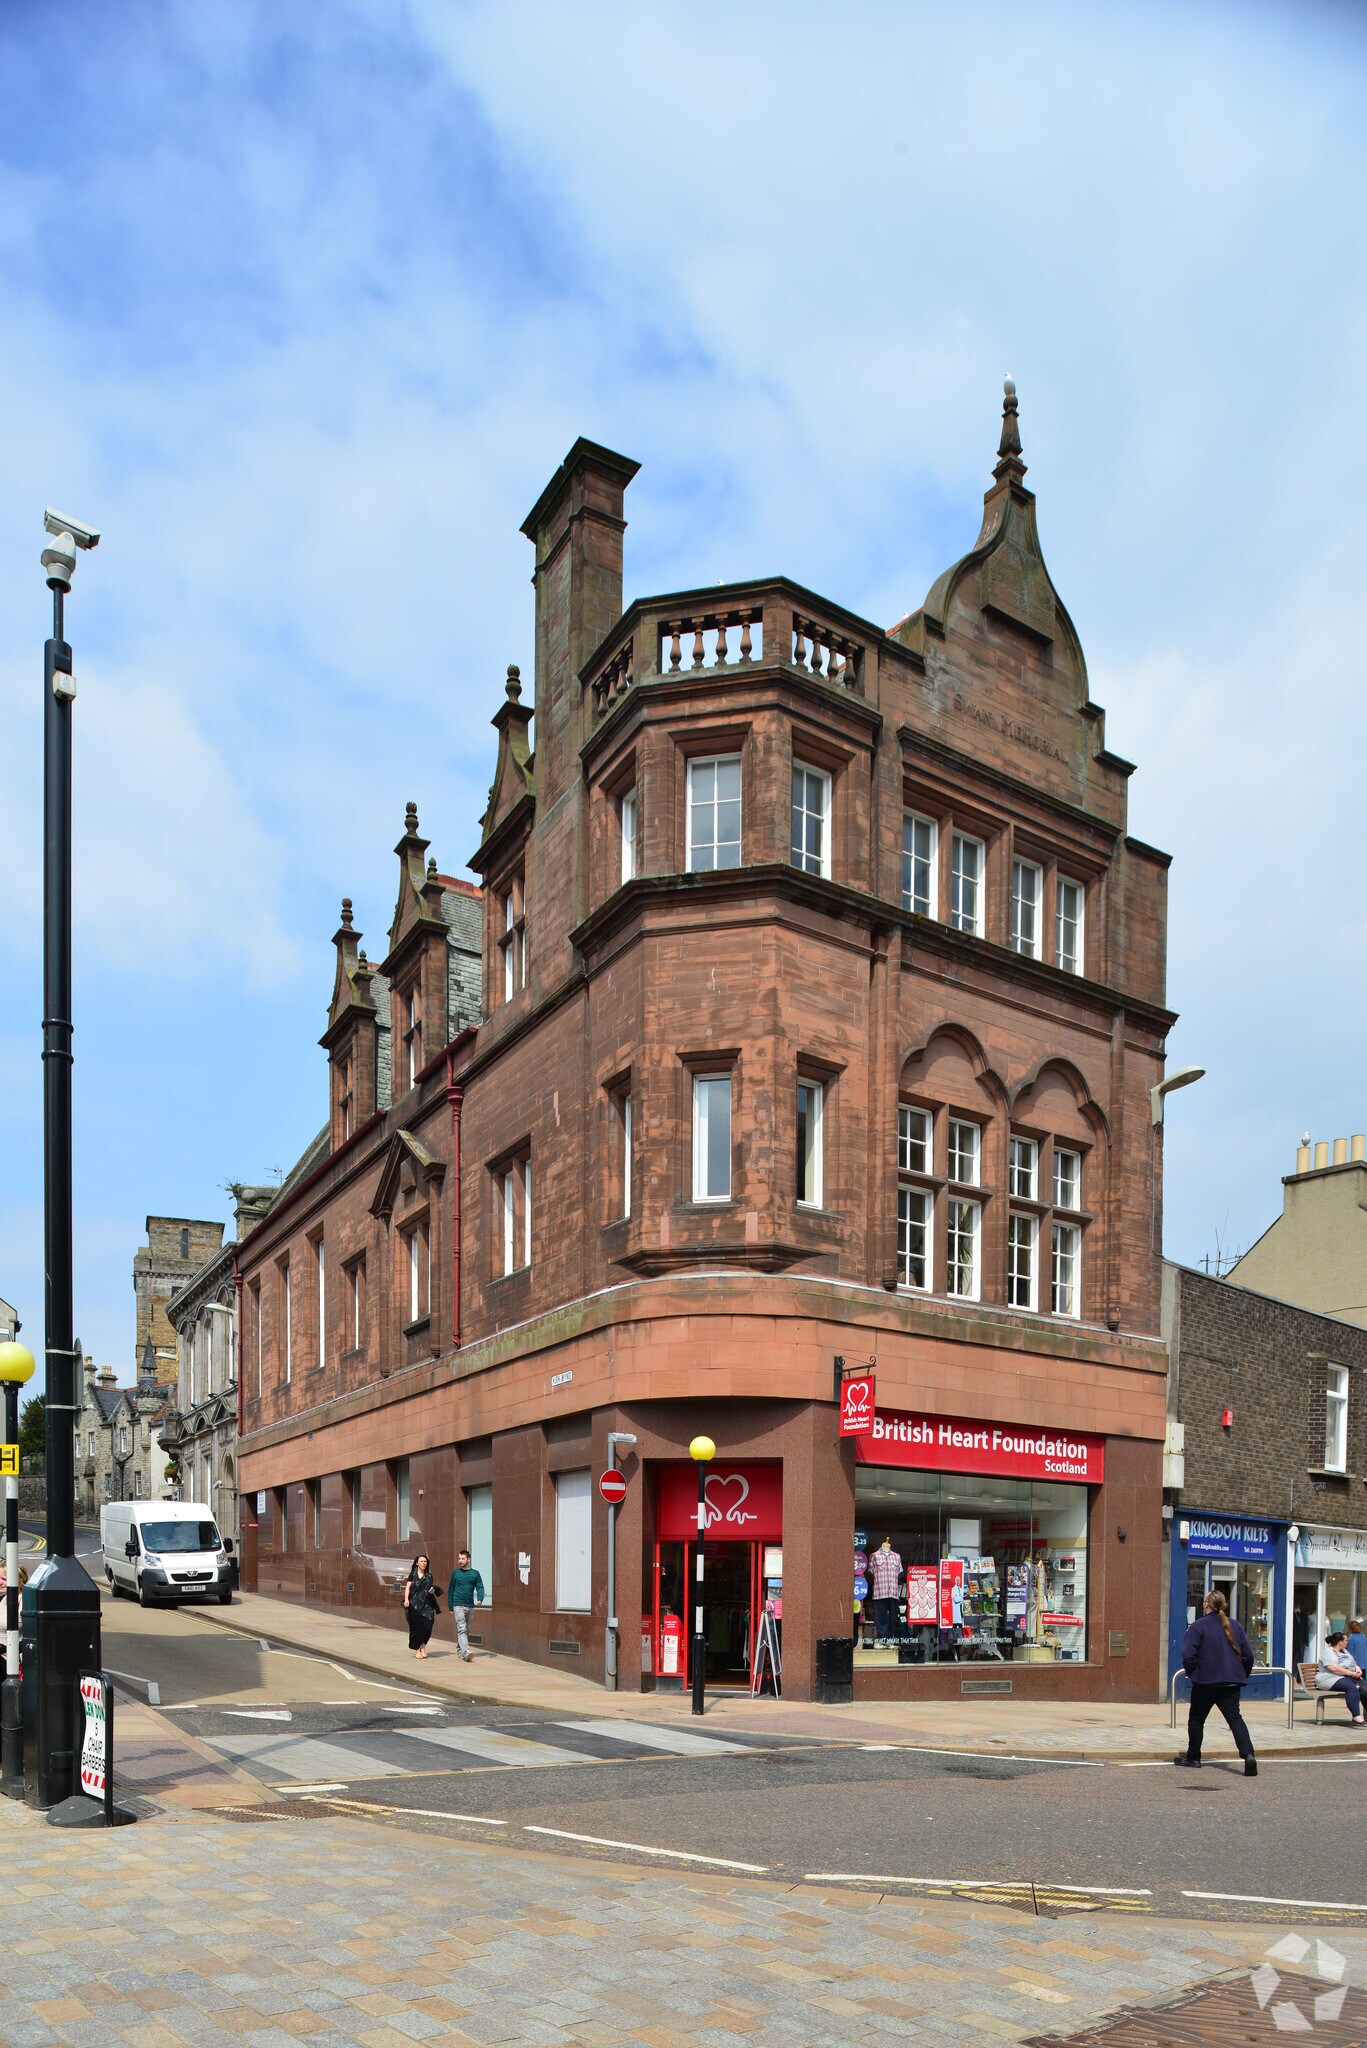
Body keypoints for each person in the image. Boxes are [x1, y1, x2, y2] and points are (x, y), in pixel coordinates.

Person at [1175, 1587, 1257, 1774]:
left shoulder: (1198, 1626)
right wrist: (1242, 1674)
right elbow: (1248, 1656)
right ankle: (1248, 1756)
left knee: (1196, 1719)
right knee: (1235, 1719)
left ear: (1206, 1604)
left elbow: (1188, 1655)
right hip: (1231, 1682)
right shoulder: (1235, 1625)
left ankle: (1194, 1757)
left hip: (1206, 1682)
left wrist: (1193, 1674)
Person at [1316, 1630, 1365, 1724]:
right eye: (1346, 1640)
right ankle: (1356, 1715)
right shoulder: (1328, 1652)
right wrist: (1351, 1673)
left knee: (1364, 1688)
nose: (1347, 1642)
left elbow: (1353, 1662)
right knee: (1351, 1687)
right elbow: (1333, 1668)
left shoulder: (1345, 1651)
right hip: (1329, 1678)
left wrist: (1357, 1669)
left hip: (1347, 1676)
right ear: (1340, 1642)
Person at [446, 1548, 485, 1662]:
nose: (460, 1561)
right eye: (459, 1558)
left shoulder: (475, 1573)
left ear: (468, 1559)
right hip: (458, 1604)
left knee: (467, 1630)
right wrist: (450, 1606)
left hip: (470, 1605)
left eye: (462, 1559)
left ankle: (460, 1649)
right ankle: (466, 1651)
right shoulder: (456, 1573)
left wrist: (480, 1599)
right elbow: (451, 1590)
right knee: (462, 1629)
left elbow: (480, 1587)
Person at [403, 1553, 439, 1658]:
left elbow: (430, 1588)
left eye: (425, 1561)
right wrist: (406, 1599)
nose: (424, 1563)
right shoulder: (412, 1574)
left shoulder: (429, 1576)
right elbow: (407, 1588)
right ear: (417, 1563)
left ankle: (423, 1645)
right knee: (416, 1628)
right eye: (422, 1561)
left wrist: (432, 1591)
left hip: (427, 1605)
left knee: (428, 1626)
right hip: (414, 1604)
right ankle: (417, 1649)